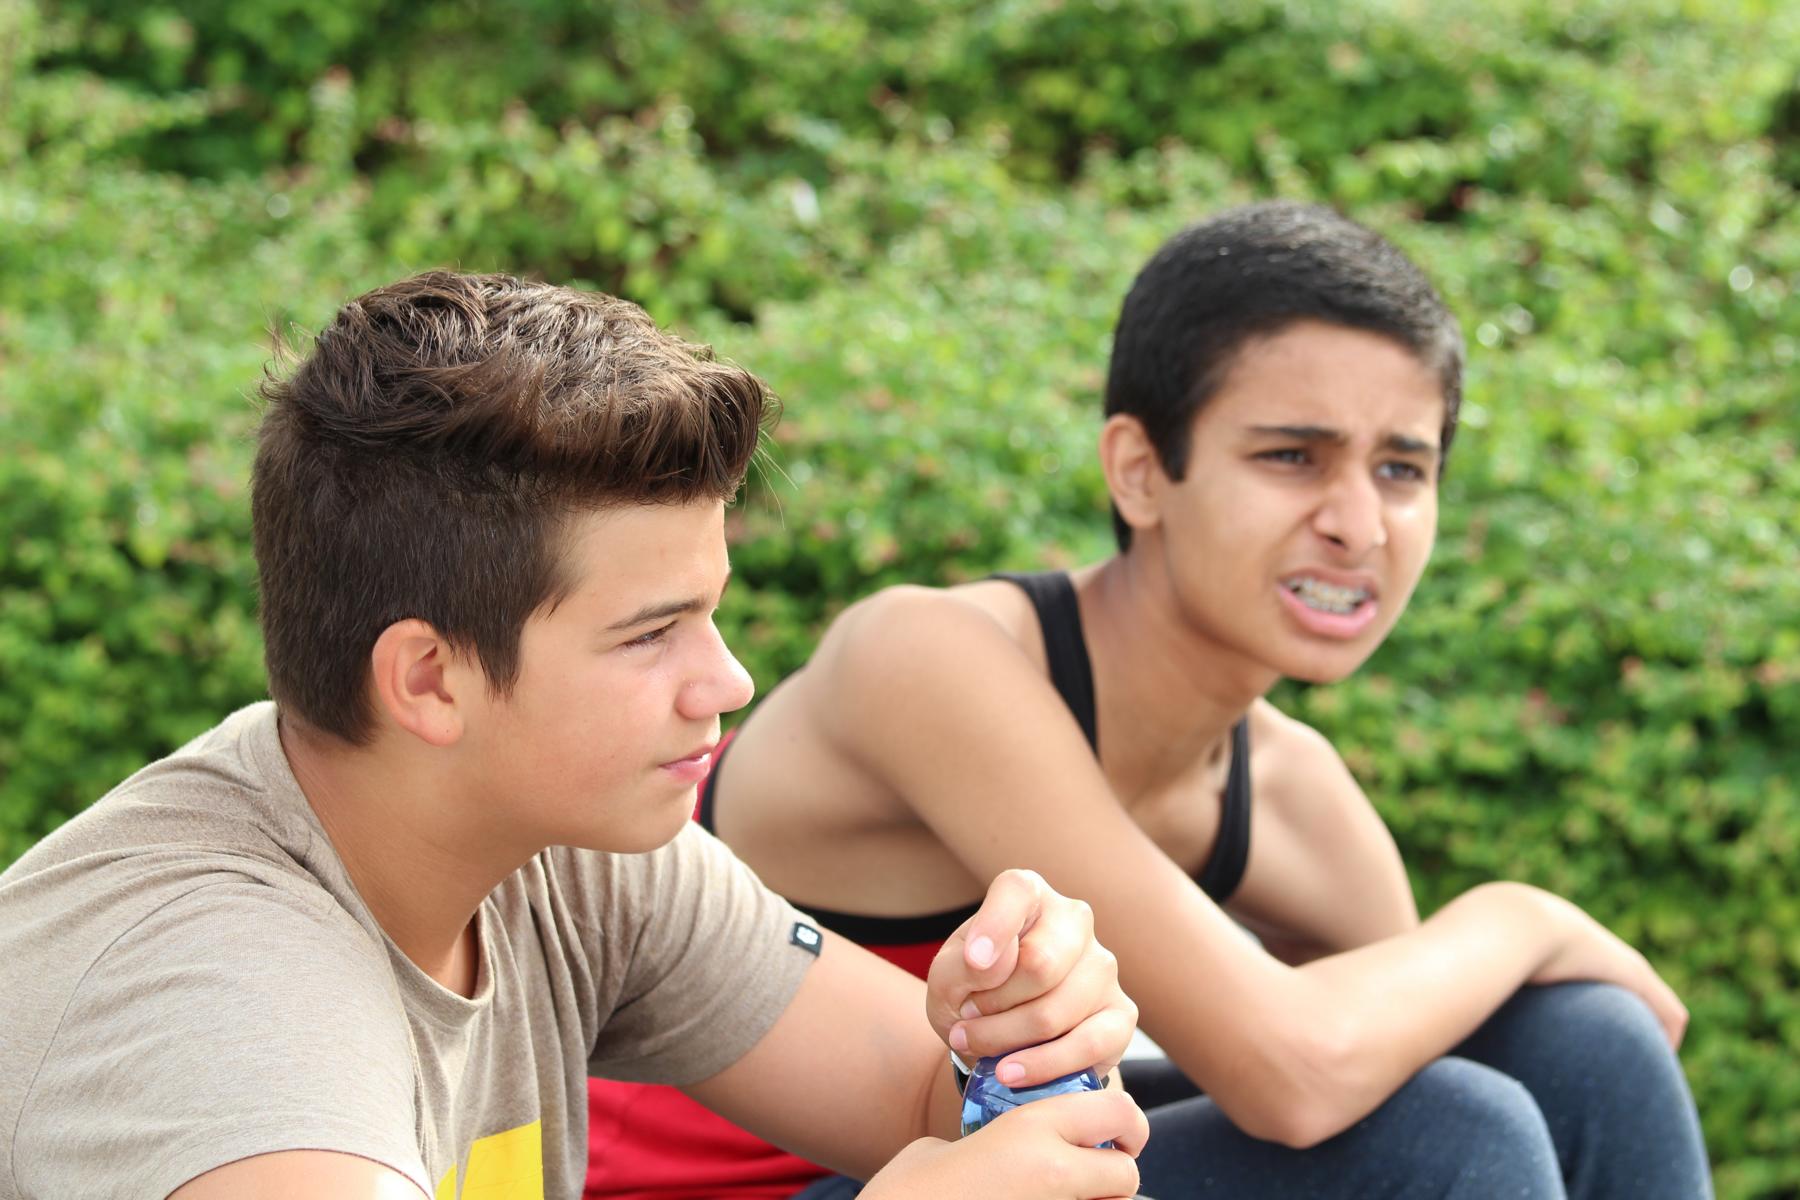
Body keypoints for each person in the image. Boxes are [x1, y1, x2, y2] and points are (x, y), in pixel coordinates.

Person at [586, 202, 1714, 1198]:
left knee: (1588, 1048)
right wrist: (1525, 915)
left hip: (1013, 1156)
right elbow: (1296, 1074)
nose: (1358, 526)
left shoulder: (1294, 796)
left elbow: (1367, 1056)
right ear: (1138, 470)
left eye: (1401, 469)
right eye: (1292, 456)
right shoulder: (926, 659)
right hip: (788, 1187)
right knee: (1451, 1136)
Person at [0, 272, 1152, 1200]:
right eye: (651, 635)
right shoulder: (222, 998)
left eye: (710, 614)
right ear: (430, 681)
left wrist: (1020, 1041)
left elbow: (918, 1102)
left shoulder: (564, 848)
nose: (729, 681)